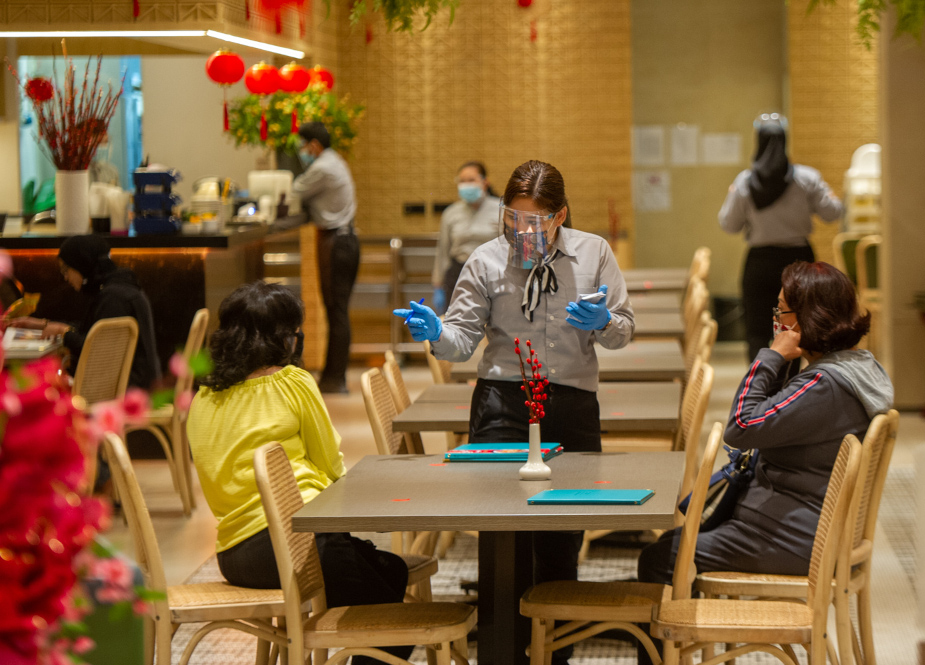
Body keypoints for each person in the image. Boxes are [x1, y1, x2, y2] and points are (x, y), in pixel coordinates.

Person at [394, 159, 635, 665]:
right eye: (513, 219)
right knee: (503, 531)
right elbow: (462, 341)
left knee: (564, 528)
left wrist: (606, 319)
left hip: (570, 402)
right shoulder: (485, 262)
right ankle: (503, 648)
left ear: (560, 215)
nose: (522, 231)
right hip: (503, 400)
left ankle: (555, 648)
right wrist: (438, 333)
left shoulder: (594, 254)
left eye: (535, 221)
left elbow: (622, 332)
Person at [186, 281, 412, 664]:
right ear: (285, 338)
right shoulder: (291, 382)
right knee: (397, 618)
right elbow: (331, 465)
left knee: (392, 571)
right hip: (297, 547)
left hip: (236, 556)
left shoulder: (202, 396)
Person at [637, 261, 892, 595]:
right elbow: (775, 414)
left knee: (661, 556)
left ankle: (670, 639)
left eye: (782, 311)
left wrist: (771, 357)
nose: (776, 320)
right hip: (808, 526)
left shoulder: (823, 385)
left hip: (793, 537)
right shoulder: (858, 367)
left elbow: (741, 427)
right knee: (674, 540)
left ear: (804, 319)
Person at [719, 113, 844, 363]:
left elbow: (729, 224)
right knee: (796, 327)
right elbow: (833, 213)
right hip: (798, 260)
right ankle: (790, 387)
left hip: (760, 262)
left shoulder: (745, 182)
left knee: (756, 330)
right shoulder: (807, 178)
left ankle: (759, 384)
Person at [11, 234, 160, 389]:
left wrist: (64, 332)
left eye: (66, 270)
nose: (66, 278)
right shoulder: (118, 288)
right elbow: (92, 333)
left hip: (126, 391)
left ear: (82, 265)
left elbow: (96, 350)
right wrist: (43, 325)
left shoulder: (115, 299)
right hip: (132, 384)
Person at [294, 121, 359, 394]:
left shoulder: (322, 167)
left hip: (337, 243)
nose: (301, 151)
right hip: (346, 240)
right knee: (338, 311)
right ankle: (334, 377)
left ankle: (334, 378)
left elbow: (295, 190)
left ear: (314, 145)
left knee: (336, 310)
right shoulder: (335, 161)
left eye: (303, 146)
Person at [432, 161, 501, 313]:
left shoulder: (501, 210)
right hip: (458, 273)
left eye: (471, 180)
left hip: (492, 274)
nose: (466, 185)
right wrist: (438, 285)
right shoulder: (451, 213)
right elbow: (443, 250)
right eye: (462, 181)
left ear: (485, 182)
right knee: (457, 323)